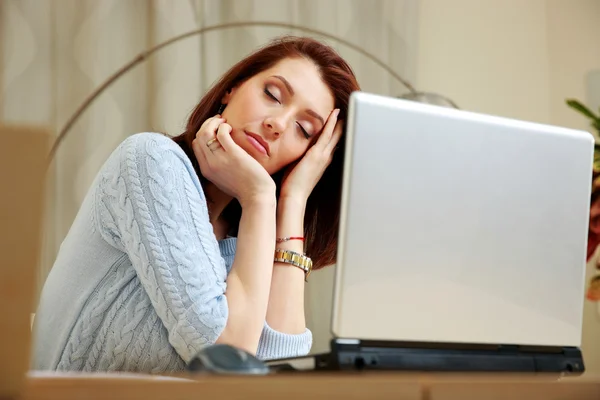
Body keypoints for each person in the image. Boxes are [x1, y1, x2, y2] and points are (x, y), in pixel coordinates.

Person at [33, 36, 360, 373]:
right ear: (230, 90)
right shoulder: (152, 161)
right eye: (273, 95)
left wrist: (293, 202)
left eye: (304, 130)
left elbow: (279, 373)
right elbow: (228, 361)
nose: (277, 124)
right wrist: (261, 197)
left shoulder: (248, 235)